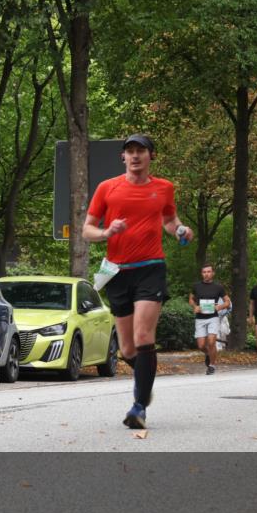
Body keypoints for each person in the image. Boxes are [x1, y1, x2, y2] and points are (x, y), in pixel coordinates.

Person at [82, 134, 191, 430]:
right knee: (127, 350)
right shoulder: (107, 188)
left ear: (150, 156)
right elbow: (87, 230)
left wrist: (181, 230)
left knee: (144, 337)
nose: (134, 156)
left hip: (150, 268)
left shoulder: (164, 188)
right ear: (123, 157)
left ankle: (139, 406)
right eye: (129, 151)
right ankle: (145, 381)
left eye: (140, 151)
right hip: (117, 272)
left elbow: (169, 220)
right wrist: (106, 233)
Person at [189, 263, 231, 375]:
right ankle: (208, 354)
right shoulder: (196, 286)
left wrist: (219, 307)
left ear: (213, 273)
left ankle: (212, 365)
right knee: (201, 346)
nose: (206, 274)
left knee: (212, 342)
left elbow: (227, 302)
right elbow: (191, 299)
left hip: (213, 317)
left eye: (208, 272)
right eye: (204, 272)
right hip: (200, 318)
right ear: (201, 274)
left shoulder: (218, 287)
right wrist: (195, 306)